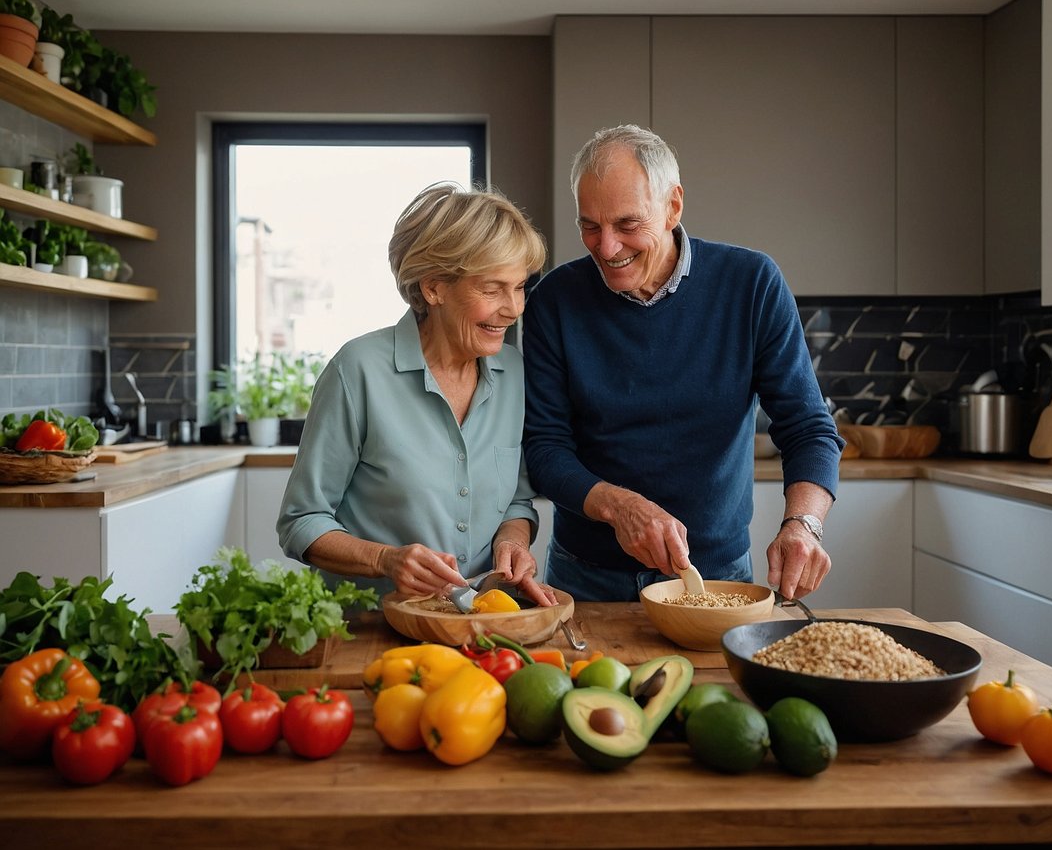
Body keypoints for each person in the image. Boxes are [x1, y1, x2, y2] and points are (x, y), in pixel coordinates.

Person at [522, 124, 844, 602]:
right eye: (589, 225)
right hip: (585, 576)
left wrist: (803, 524)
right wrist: (618, 506)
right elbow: (545, 449)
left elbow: (809, 427)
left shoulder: (751, 284)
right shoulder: (554, 300)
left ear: (673, 206)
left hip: (715, 574)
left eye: (628, 225)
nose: (606, 248)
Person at [277, 182, 556, 606]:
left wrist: (513, 541)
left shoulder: (513, 371)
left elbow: (516, 500)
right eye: (492, 288)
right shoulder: (358, 371)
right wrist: (386, 561)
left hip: (477, 624)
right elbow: (301, 521)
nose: (514, 308)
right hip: (369, 629)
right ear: (434, 288)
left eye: (519, 287)